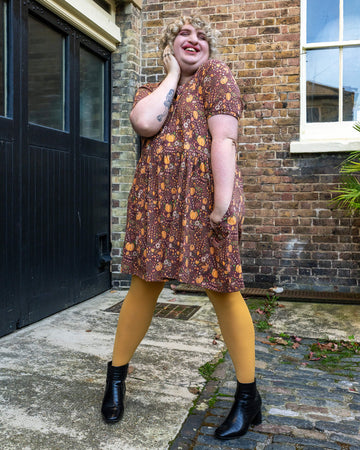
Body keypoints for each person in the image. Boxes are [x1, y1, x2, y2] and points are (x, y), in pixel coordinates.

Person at [101, 16, 262, 441]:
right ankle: (115, 379)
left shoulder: (216, 76)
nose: (194, 41)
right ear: (169, 44)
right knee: (142, 287)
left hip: (206, 202)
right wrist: (172, 72)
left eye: (202, 36)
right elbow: (145, 124)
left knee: (224, 291)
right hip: (156, 204)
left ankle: (249, 398)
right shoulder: (151, 90)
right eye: (184, 35)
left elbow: (224, 140)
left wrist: (222, 205)